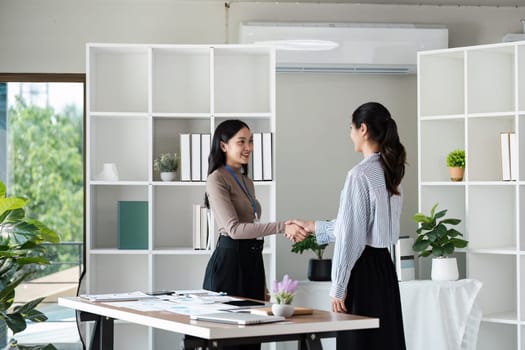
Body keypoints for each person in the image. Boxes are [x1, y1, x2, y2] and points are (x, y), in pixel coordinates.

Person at [288, 102, 407, 350]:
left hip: (361, 270)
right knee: (384, 341)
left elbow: (351, 237)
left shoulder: (359, 174)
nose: (349, 134)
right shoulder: (391, 172)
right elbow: (356, 228)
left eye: (351, 128)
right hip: (384, 269)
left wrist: (338, 286)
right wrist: (312, 226)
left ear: (362, 129)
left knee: (358, 343)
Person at [202, 119, 308, 304]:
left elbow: (253, 228)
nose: (248, 147)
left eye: (250, 141)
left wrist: (263, 283)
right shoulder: (217, 179)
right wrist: (282, 227)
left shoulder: (246, 181)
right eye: (241, 141)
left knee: (255, 328)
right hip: (230, 266)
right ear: (223, 146)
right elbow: (234, 230)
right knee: (229, 329)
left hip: (253, 262)